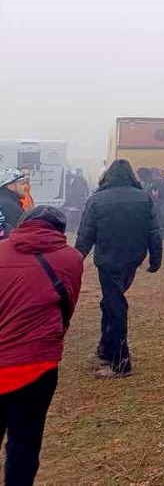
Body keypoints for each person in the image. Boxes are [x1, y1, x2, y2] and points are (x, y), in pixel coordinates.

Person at [0, 206, 83, 485]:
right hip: (36, 365)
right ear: (60, 230)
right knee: (24, 444)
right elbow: (67, 305)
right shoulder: (71, 258)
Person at [75, 160, 162, 378]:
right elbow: (154, 232)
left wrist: (74, 261)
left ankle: (121, 362)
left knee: (115, 307)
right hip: (133, 259)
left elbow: (85, 235)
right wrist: (155, 259)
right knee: (111, 302)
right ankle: (105, 349)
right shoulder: (144, 198)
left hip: (108, 261)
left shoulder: (96, 200)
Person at [0, 170, 27, 241]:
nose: (26, 187)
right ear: (11, 186)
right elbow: (16, 234)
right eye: (22, 184)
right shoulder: (10, 206)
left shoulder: (6, 201)